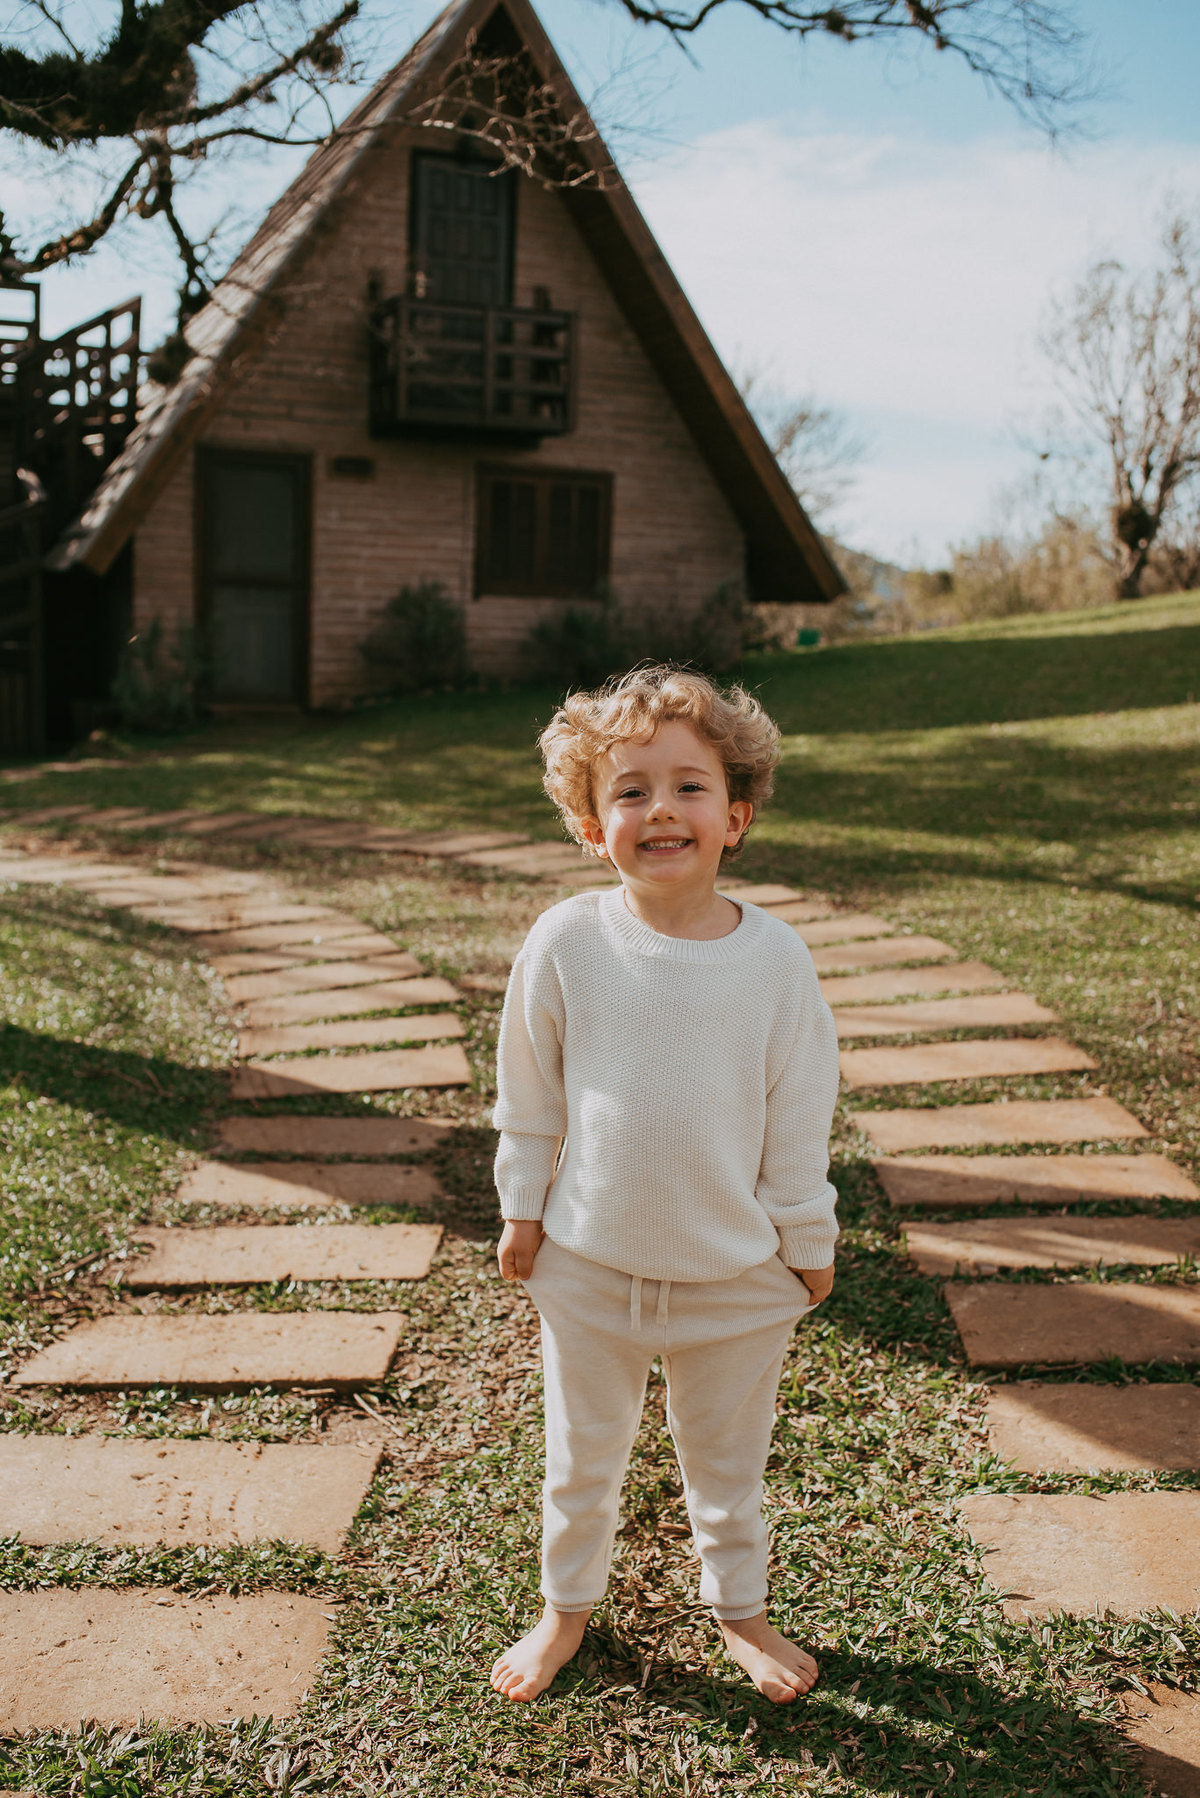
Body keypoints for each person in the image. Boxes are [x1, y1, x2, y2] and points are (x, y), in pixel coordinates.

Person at [489, 664, 839, 1705]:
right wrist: (521, 1205)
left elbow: (797, 1117)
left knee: (727, 1466)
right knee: (579, 1456)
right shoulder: (566, 943)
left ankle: (740, 1610)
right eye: (629, 790)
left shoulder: (776, 963)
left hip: (733, 1279)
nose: (660, 809)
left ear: (734, 816)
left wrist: (806, 1241)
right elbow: (529, 1093)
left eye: (688, 786)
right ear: (594, 826)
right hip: (589, 1267)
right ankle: (564, 1610)